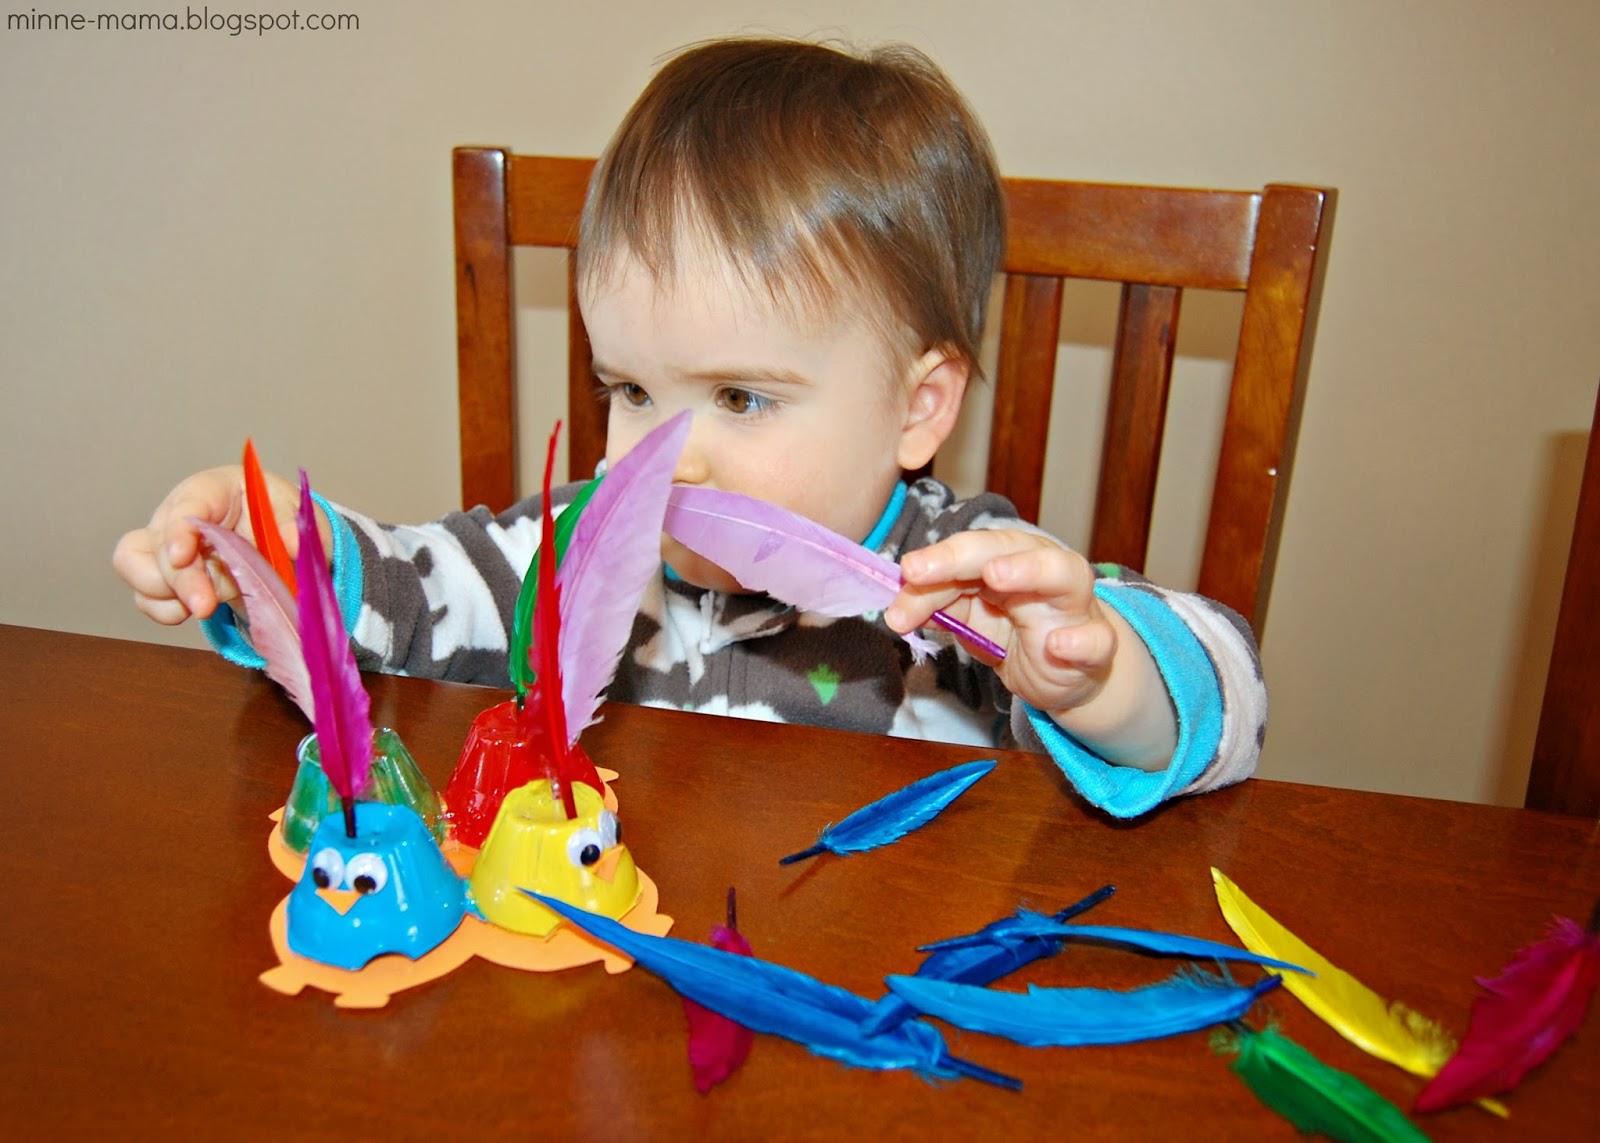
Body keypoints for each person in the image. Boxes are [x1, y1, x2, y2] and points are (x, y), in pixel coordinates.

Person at [112, 37, 1264, 818]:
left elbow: (1229, 701)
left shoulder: (964, 598)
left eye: (742, 398)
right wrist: (266, 547)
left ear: (919, 407)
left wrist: (1098, 676)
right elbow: (403, 593)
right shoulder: (576, 549)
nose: (668, 459)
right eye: (629, 392)